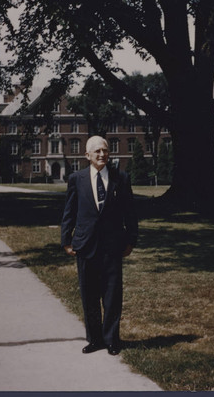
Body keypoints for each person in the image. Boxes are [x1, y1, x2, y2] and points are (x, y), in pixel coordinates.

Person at [61, 136, 138, 356]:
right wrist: (66, 240)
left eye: (105, 150)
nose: (102, 154)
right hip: (86, 246)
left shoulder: (120, 178)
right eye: (97, 151)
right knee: (89, 295)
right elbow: (70, 212)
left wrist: (131, 240)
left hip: (113, 246)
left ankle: (112, 339)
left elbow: (129, 212)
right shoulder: (77, 179)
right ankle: (94, 339)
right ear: (87, 156)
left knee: (112, 295)